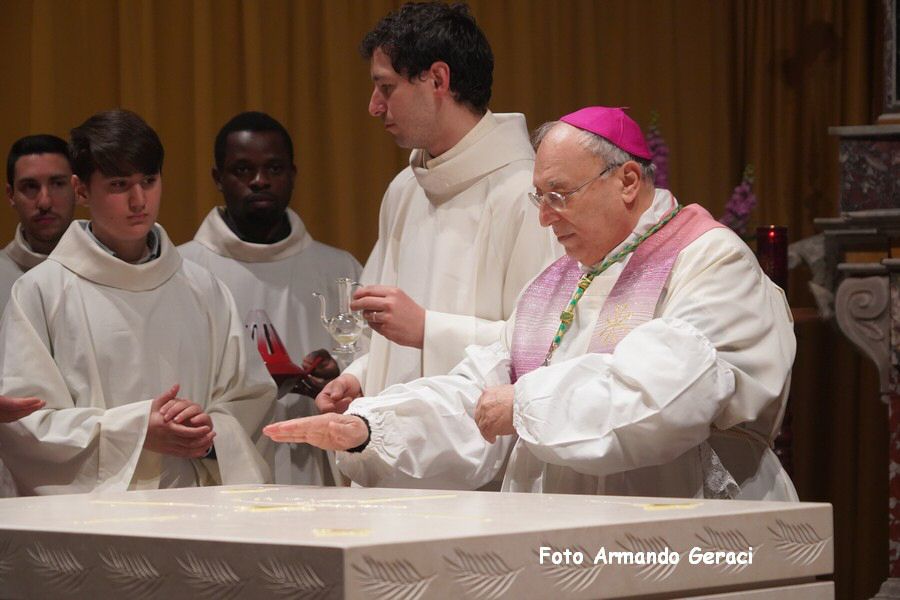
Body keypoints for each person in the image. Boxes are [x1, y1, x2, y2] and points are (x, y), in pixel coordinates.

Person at [265, 106, 798, 501]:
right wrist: (373, 429)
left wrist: (524, 406)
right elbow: (479, 392)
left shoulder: (707, 260)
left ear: (628, 182)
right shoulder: (558, 280)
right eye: (538, 197)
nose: (544, 217)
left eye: (559, 195)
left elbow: (668, 394)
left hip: (686, 530)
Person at [0, 109, 275, 495]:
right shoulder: (41, 292)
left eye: (149, 180)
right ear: (81, 190)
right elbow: (27, 425)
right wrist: (137, 432)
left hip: (198, 512)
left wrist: (211, 432)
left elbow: (250, 396)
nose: (138, 200)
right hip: (93, 528)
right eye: (118, 184)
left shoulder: (202, 288)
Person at [317, 1, 559, 414]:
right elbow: (379, 332)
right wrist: (360, 375)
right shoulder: (405, 189)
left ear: (438, 79)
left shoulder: (525, 193)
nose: (374, 106)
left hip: (480, 448)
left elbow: (547, 342)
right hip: (395, 442)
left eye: (387, 87)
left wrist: (429, 330)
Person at [180, 111, 362, 485]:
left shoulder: (339, 269)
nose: (260, 181)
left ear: (293, 174)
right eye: (243, 170)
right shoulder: (180, 269)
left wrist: (342, 373)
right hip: (216, 471)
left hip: (316, 465)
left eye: (274, 169)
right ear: (218, 177)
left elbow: (377, 364)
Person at [0, 134, 77, 310]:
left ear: (77, 189)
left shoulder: (108, 271)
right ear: (11, 195)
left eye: (57, 184)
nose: (44, 202)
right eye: (30, 186)